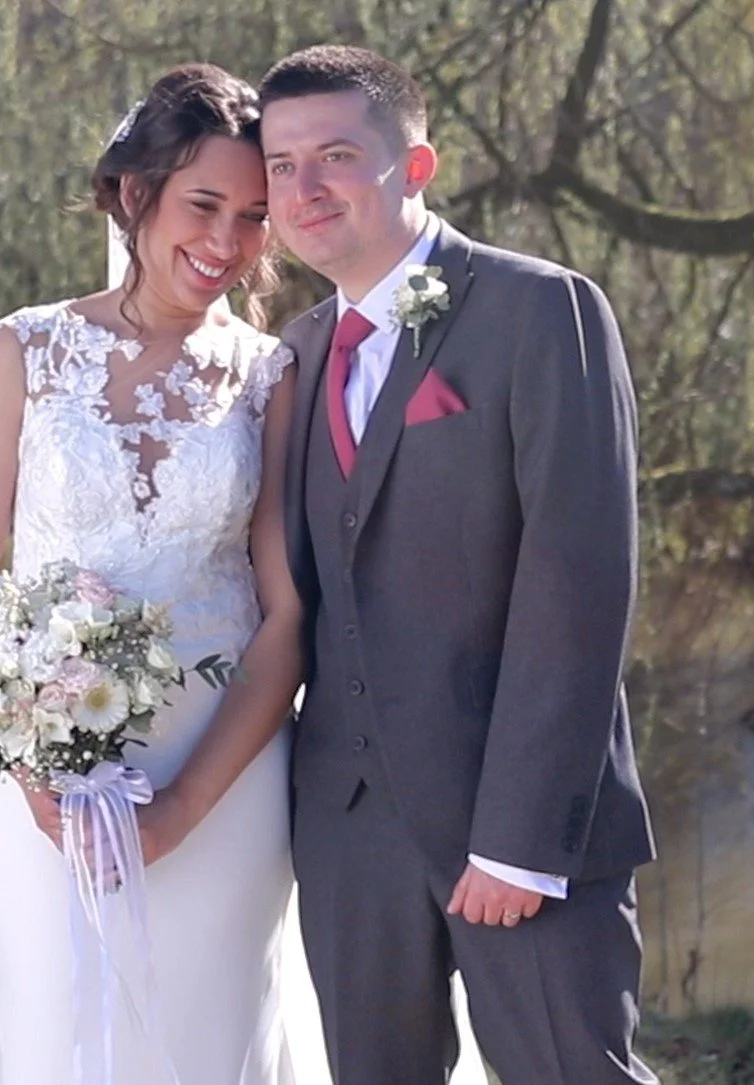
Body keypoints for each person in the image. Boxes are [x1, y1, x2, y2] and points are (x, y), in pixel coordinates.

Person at [0, 63, 311, 1085]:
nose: (225, 242)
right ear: (134, 194)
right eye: (204, 204)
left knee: (212, 1038)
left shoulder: (271, 377)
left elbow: (289, 612)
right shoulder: (26, 351)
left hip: (230, 773)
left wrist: (181, 807)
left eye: (254, 216)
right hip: (45, 789)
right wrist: (34, 762)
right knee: (62, 1035)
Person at [261, 45, 660, 1084]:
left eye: (338, 154)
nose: (306, 188)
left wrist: (521, 840)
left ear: (416, 165)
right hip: (349, 835)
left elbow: (581, 576)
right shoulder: (293, 358)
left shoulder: (541, 310)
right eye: (281, 164)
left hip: (522, 825)